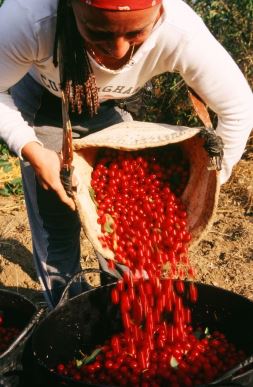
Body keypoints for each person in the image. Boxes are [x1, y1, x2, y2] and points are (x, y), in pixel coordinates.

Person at [0, 0, 252, 308]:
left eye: (136, 33)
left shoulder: (180, 32)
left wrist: (211, 180)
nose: (118, 51)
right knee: (57, 221)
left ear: (159, 12)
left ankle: (123, 307)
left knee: (125, 221)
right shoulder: (30, 17)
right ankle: (69, 310)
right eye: (96, 31)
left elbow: (239, 108)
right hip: (46, 103)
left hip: (114, 106)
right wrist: (32, 148)